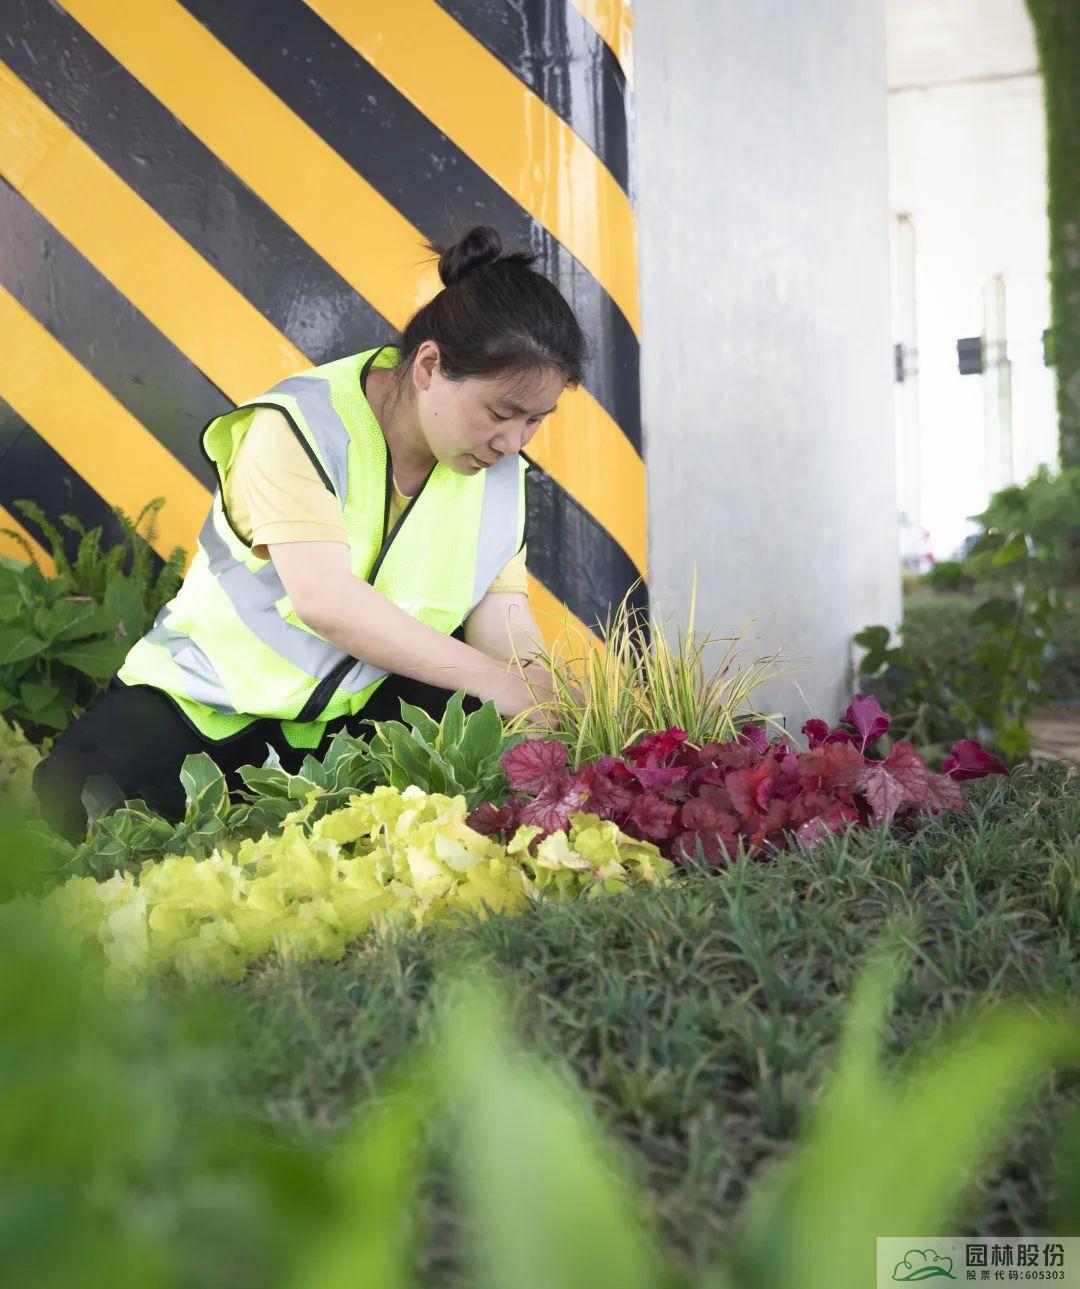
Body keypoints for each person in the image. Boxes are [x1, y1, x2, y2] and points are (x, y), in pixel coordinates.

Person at [33, 224, 589, 844]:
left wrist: (553, 702)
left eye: (536, 420)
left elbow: (503, 617)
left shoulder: (498, 469)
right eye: (500, 412)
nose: (513, 442)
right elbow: (326, 603)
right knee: (78, 822)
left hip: (346, 730)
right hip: (201, 714)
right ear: (430, 366)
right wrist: (501, 684)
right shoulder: (297, 425)